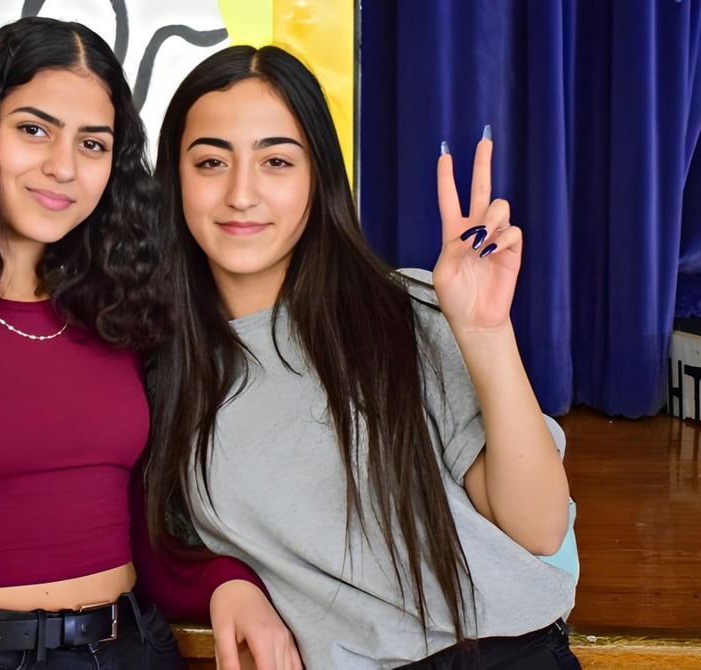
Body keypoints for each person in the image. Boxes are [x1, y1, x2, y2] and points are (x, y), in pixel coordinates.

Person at [0, 18, 294, 670]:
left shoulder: (117, 319)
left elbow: (140, 539)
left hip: (135, 650)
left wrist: (224, 581)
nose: (63, 167)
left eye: (92, 144)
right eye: (33, 129)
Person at [143, 44, 581, 669]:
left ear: (318, 179)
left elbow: (538, 529)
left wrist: (486, 334)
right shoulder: (162, 372)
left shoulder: (401, 311)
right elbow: (154, 543)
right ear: (174, 178)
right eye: (212, 161)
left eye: (276, 162)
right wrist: (225, 580)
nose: (242, 194)